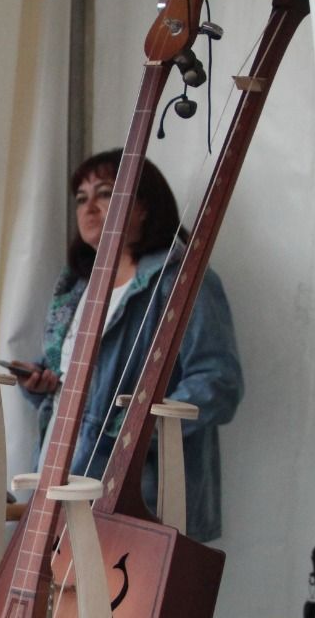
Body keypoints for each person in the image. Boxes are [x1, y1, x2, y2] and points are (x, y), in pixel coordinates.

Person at [13, 150, 243, 542]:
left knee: (124, 604)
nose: (90, 208)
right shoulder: (77, 287)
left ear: (144, 208)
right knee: (62, 602)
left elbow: (219, 383)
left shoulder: (182, 283)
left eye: (105, 194)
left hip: (140, 494)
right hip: (61, 475)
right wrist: (44, 384)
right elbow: (77, 383)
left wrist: (135, 430)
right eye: (82, 198)